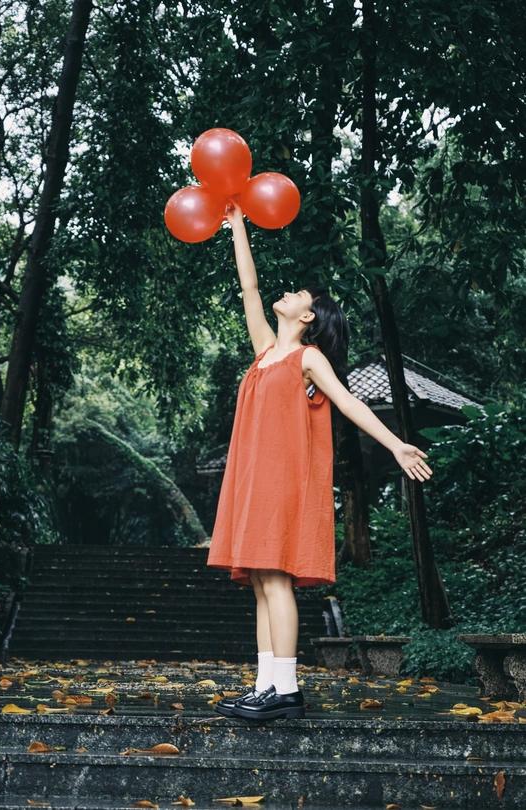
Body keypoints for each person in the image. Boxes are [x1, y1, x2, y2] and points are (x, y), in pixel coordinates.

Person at [206, 201, 433, 721]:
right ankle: (265, 686)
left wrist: (396, 444)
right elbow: (249, 289)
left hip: (281, 480)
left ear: (307, 317)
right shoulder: (265, 350)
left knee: (276, 578)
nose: (288, 294)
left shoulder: (308, 357)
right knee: (259, 581)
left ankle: (286, 690)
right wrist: (238, 228)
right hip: (253, 479)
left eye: (299, 296)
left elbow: (349, 403)